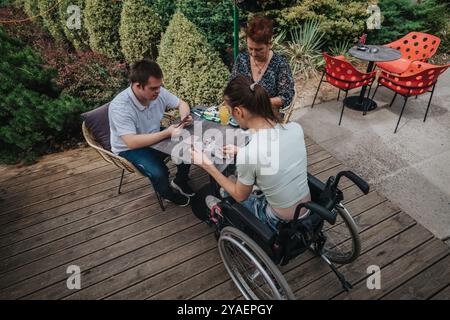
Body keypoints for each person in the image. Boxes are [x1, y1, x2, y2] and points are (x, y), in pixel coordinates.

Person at [191, 76, 310, 231]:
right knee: (238, 179)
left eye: (229, 111)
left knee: (226, 190)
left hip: (278, 220)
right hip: (307, 207)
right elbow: (274, 152)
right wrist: (241, 152)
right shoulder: (295, 128)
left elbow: (240, 196)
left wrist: (208, 166)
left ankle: (218, 208)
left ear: (238, 111)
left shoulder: (249, 154)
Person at [109, 59, 194, 207]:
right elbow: (131, 142)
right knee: (159, 173)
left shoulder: (157, 92)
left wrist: (184, 117)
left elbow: (182, 103)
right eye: (153, 88)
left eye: (159, 87)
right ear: (137, 86)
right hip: (129, 148)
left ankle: (180, 181)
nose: (158, 91)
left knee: (187, 144)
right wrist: (167, 133)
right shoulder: (120, 107)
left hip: (154, 134)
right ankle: (168, 194)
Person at [230, 16, 295, 112]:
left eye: (259, 49)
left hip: (268, 115)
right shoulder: (242, 59)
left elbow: (286, 97)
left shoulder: (280, 64)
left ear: (270, 44)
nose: (253, 53)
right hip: (242, 113)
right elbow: (232, 85)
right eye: (250, 48)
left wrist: (258, 103)